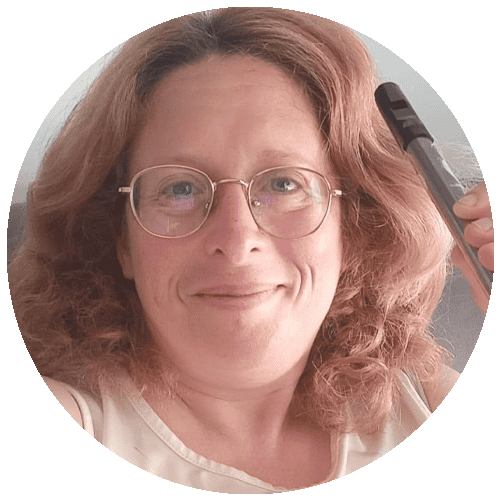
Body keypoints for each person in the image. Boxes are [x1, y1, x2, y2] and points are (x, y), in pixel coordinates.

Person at [7, 7, 493, 493]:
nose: (237, 242)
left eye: (284, 184)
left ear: (351, 225)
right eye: (180, 189)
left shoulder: (427, 401)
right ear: (119, 239)